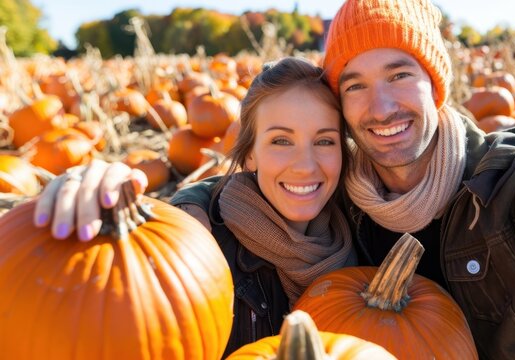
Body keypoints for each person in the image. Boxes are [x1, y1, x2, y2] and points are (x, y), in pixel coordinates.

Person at [173, 0, 515, 359]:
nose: (380, 109)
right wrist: (174, 214)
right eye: (355, 85)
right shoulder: (340, 198)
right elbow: (243, 190)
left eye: (399, 74)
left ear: (435, 82)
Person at [33, 57, 356, 357]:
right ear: (249, 154)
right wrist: (96, 194)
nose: (305, 166)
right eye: (281, 141)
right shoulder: (200, 246)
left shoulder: (359, 225)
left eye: (324, 141)